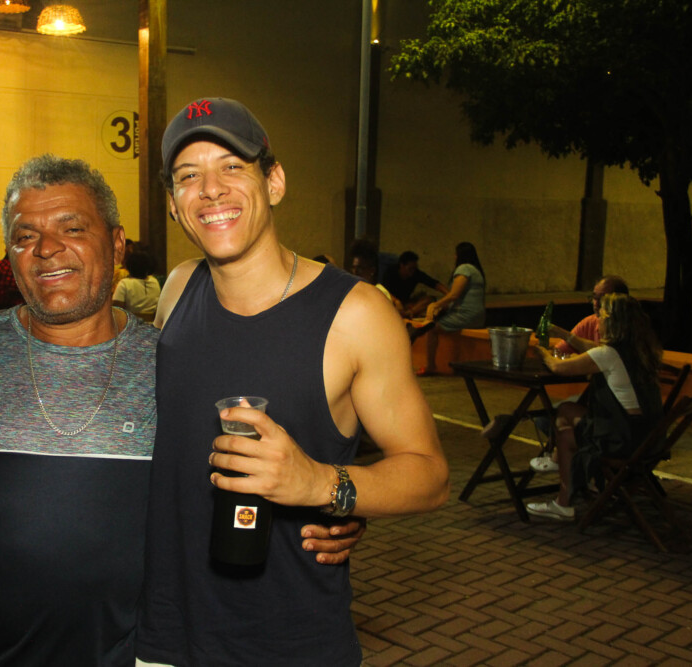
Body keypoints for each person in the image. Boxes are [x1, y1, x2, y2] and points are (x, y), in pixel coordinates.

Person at [0, 155, 360, 665]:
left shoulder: (175, 366)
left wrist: (329, 510)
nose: (46, 248)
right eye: (25, 236)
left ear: (116, 245)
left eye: (72, 228)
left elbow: (254, 480)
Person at [137, 97, 449, 666]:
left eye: (232, 166)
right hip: (163, 635)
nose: (210, 190)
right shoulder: (178, 290)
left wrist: (325, 486)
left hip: (288, 643)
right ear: (175, 206)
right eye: (188, 176)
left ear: (274, 181)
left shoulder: (356, 314)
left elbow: (429, 474)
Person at [528, 294, 663, 520]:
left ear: (612, 322)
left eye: (601, 317)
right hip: (650, 437)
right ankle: (558, 466)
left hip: (624, 441)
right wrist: (565, 335)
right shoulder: (640, 350)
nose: (597, 322)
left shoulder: (609, 354)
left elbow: (559, 368)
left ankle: (563, 500)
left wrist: (542, 352)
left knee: (566, 432)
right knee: (567, 411)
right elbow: (595, 349)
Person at [413, 241, 487, 376]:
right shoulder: (477, 271)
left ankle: (431, 365)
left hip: (466, 315)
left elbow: (454, 295)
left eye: (455, 254)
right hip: (478, 317)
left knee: (432, 329)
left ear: (459, 255)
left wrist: (435, 305)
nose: (454, 257)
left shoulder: (464, 269)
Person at [552, 275, 629, 356]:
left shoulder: (629, 328)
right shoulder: (589, 322)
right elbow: (558, 351)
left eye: (603, 298)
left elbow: (605, 354)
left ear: (619, 301)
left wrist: (564, 334)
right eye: (594, 297)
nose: (596, 303)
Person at [382, 250, 448, 318]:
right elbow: (382, 290)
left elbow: (434, 283)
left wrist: (449, 294)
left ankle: (408, 314)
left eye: (414, 269)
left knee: (429, 299)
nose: (412, 271)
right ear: (402, 265)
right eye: (410, 269)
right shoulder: (390, 272)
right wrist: (396, 301)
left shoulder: (415, 273)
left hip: (406, 304)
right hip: (390, 304)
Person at [112, 250, 160, 320]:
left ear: (129, 267)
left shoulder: (124, 284)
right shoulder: (154, 282)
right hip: (151, 324)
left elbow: (117, 309)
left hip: (130, 324)